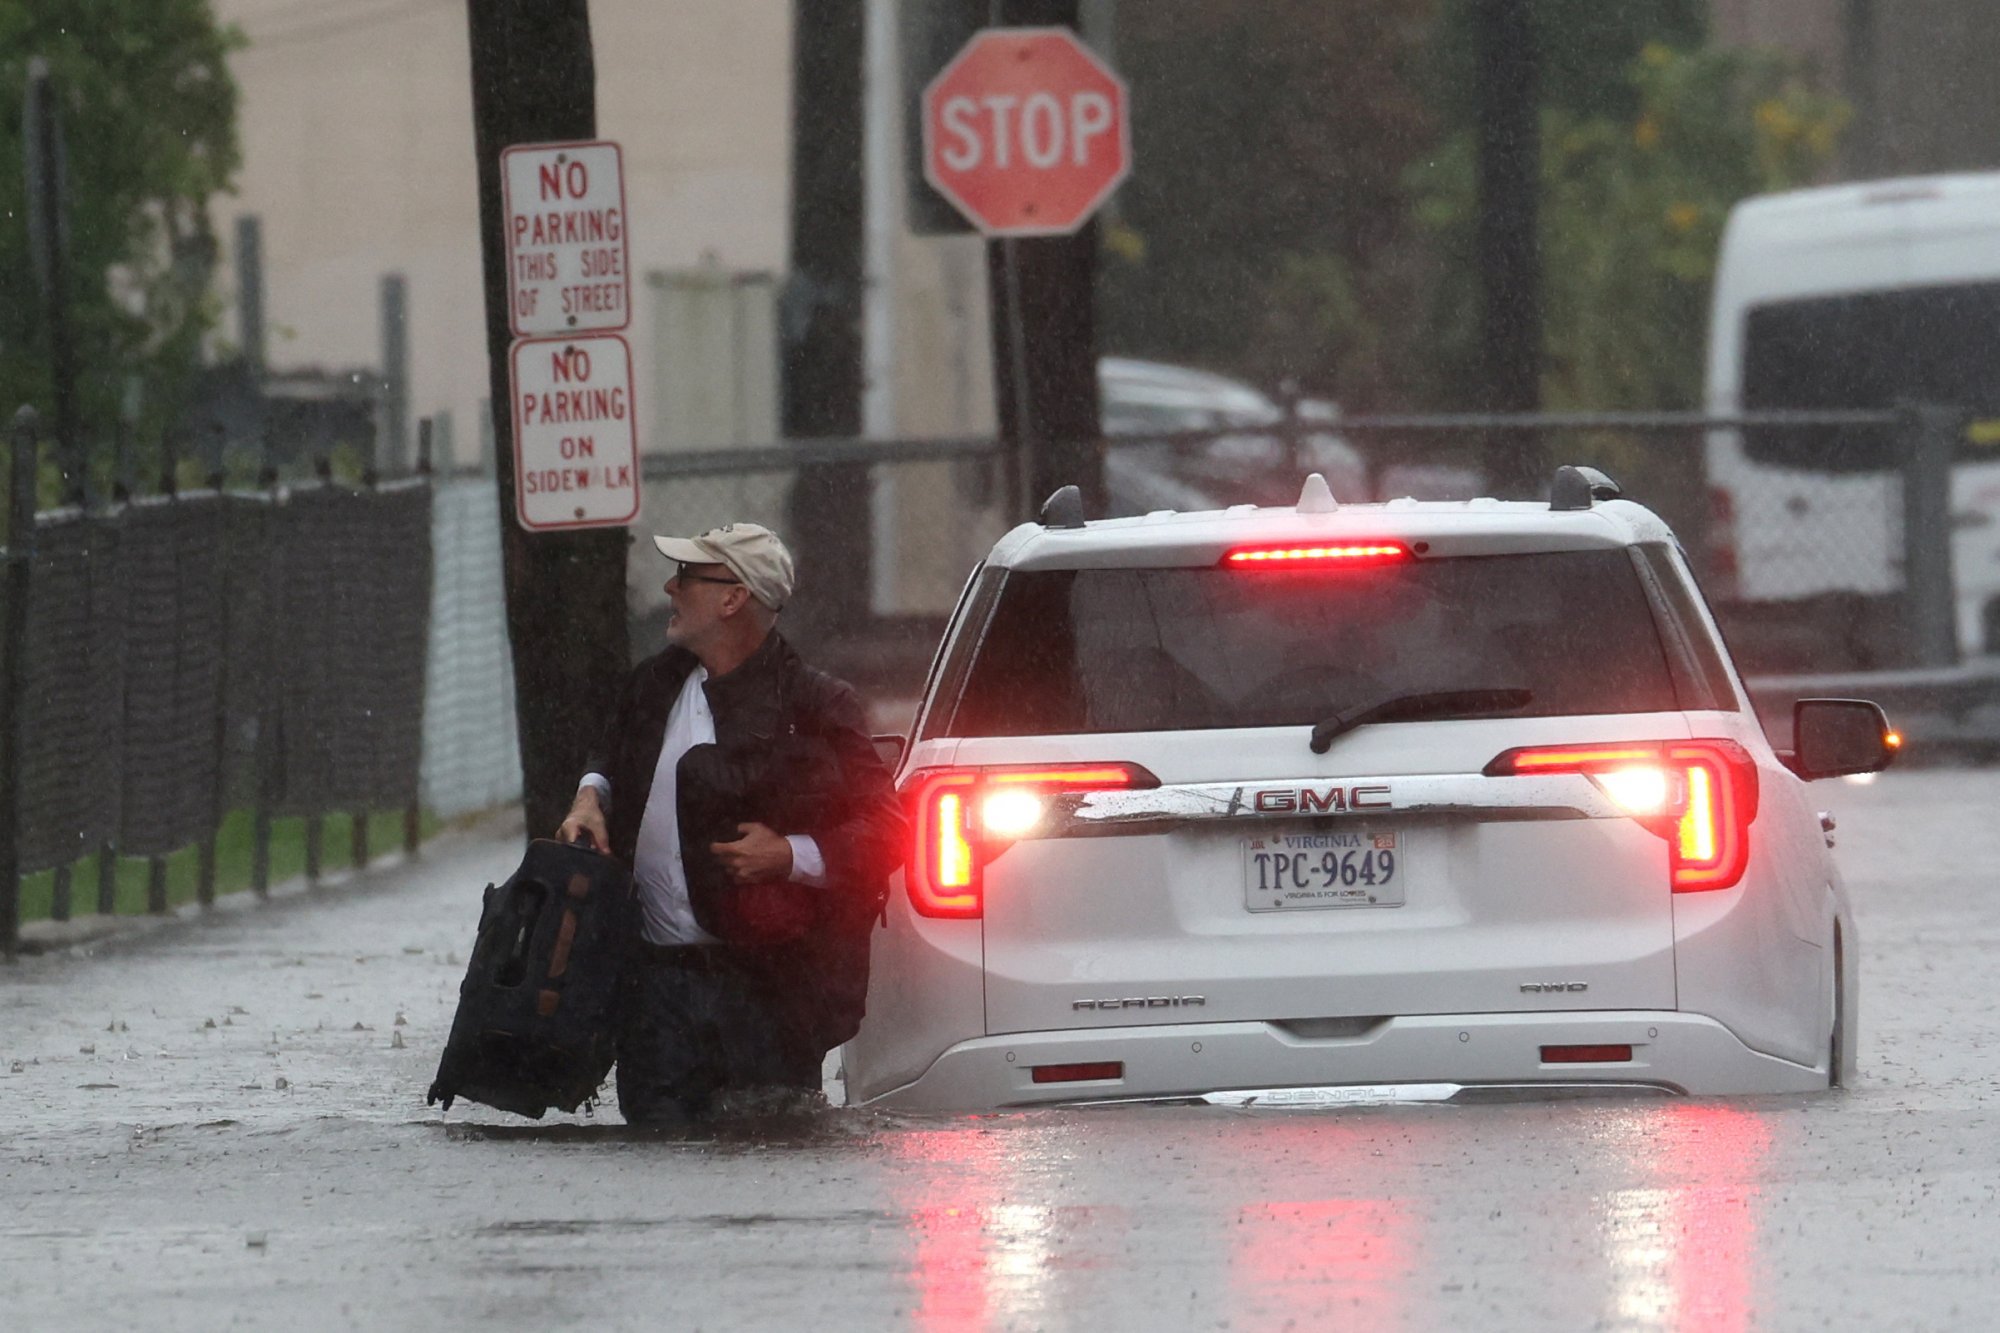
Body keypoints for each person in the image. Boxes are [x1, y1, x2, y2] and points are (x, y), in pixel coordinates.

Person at [558, 522, 906, 1123]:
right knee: (659, 1170)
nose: (670, 587)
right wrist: (590, 797)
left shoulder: (816, 706)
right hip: (655, 990)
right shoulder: (653, 685)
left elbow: (890, 827)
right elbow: (609, 757)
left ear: (732, 597)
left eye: (688, 576)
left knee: (769, 1163)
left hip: (770, 991)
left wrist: (791, 855)